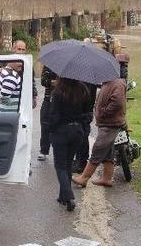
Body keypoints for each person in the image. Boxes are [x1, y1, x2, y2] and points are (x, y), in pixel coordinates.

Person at [72, 77, 127, 188]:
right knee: (108, 152)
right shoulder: (108, 82)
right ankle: (107, 179)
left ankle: (84, 178)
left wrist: (103, 112)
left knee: (98, 149)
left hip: (110, 123)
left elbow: (117, 103)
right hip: (106, 123)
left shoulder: (117, 83)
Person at [45, 77, 90, 211]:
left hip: (61, 132)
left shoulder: (58, 91)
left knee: (60, 165)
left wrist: (50, 130)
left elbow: (53, 116)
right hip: (77, 131)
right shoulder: (83, 90)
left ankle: (69, 196)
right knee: (68, 164)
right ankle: (63, 196)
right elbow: (87, 113)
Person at [0, 40, 37, 112]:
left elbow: (31, 81)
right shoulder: (6, 60)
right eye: (19, 49)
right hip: (8, 103)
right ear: (13, 49)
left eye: (23, 50)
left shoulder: (28, 64)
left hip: (23, 97)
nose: (21, 52)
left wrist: (34, 97)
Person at [71, 81, 99, 173]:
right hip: (86, 109)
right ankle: (80, 160)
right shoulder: (90, 77)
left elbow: (83, 95)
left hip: (83, 110)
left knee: (82, 136)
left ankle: (81, 162)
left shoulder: (85, 80)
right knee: (82, 135)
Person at [37, 65, 58, 161]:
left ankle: (59, 151)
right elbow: (43, 81)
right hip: (48, 100)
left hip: (63, 100)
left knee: (60, 126)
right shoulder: (49, 65)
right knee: (45, 125)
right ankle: (43, 151)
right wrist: (52, 82)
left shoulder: (70, 67)